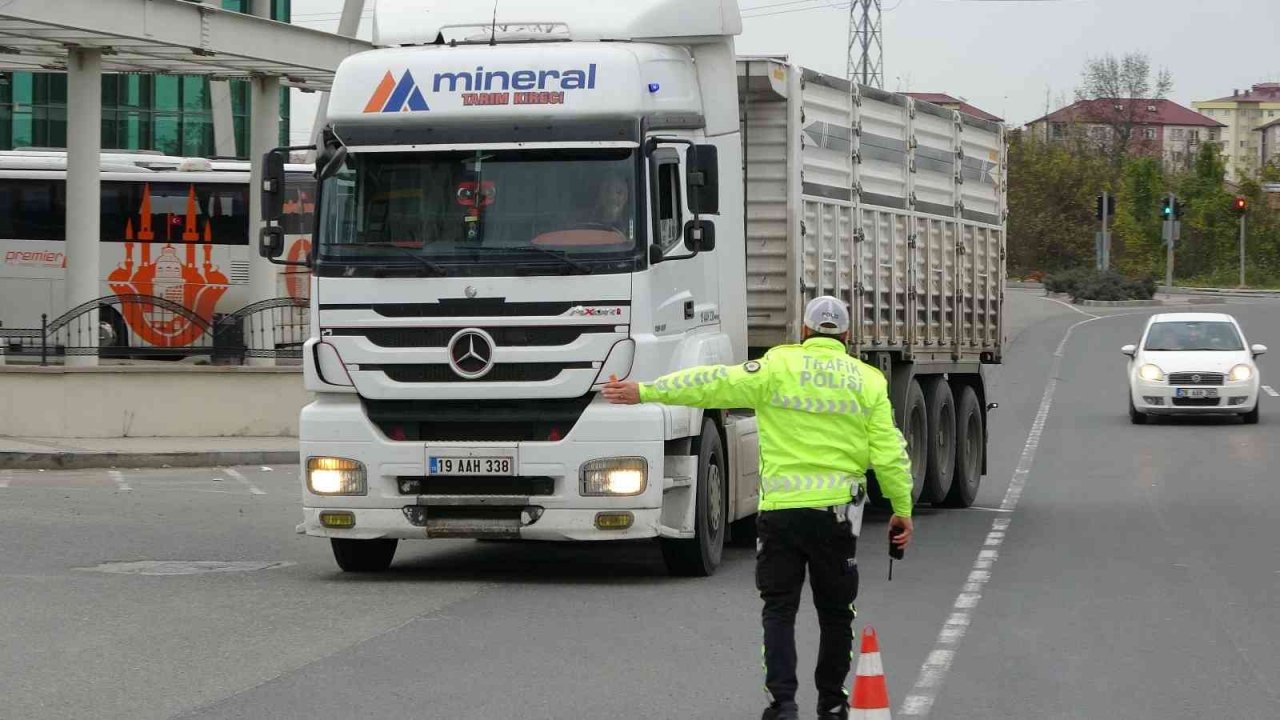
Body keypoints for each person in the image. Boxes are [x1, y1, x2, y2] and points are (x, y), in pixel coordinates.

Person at [602, 296, 914, 720]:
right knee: (837, 613)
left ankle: (783, 705)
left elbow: (711, 382)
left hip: (782, 513)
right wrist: (901, 509)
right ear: (846, 337)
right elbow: (890, 453)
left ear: (803, 332)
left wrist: (646, 391)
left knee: (780, 610)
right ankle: (833, 703)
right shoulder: (869, 381)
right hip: (838, 514)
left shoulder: (776, 367)